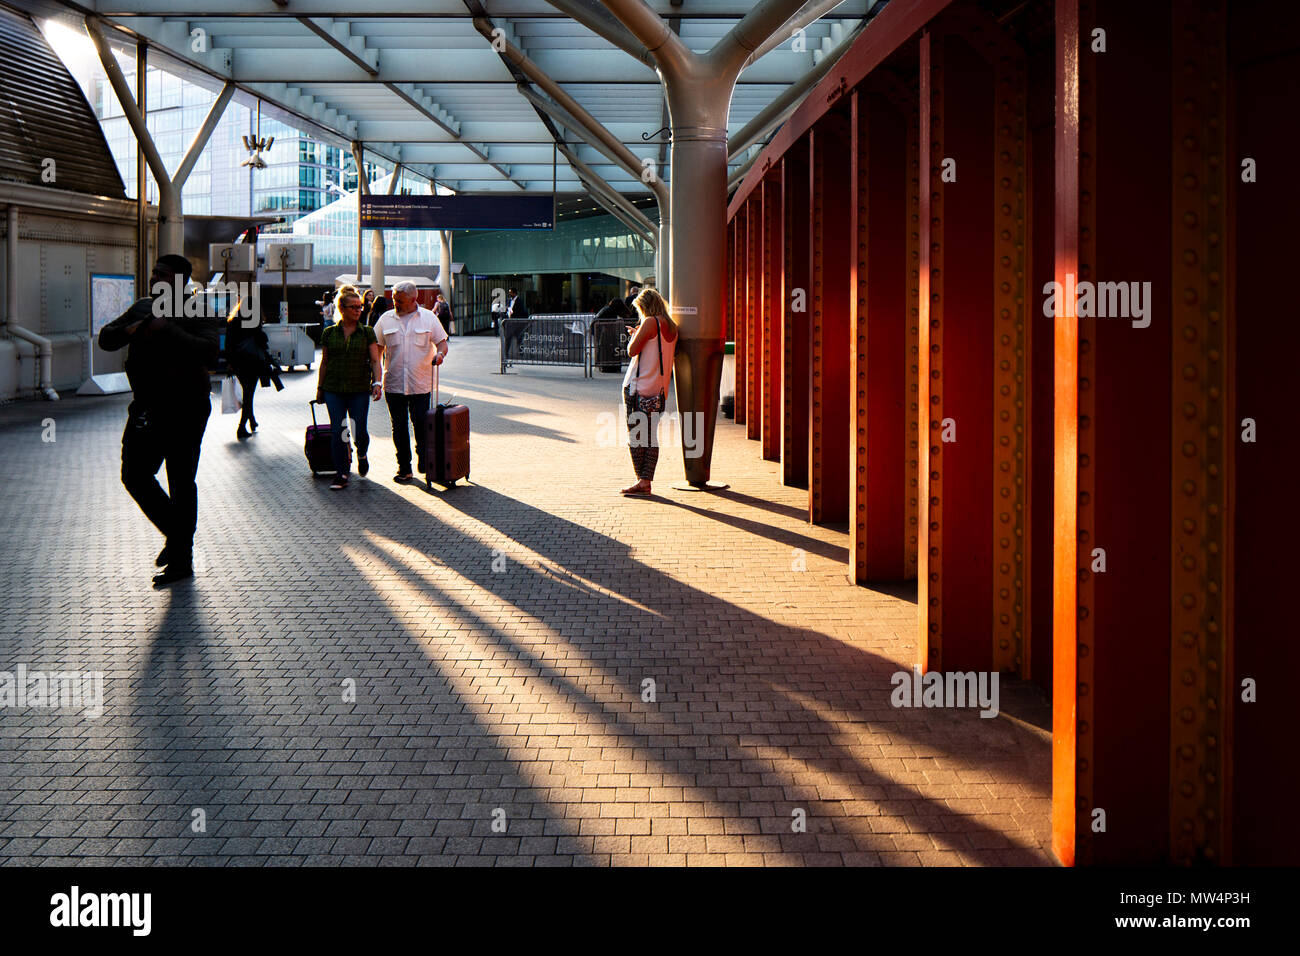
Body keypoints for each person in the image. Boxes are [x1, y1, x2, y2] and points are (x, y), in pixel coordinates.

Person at [98, 254, 219, 587]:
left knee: (181, 480)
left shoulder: (198, 309)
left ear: (179, 280)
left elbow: (210, 351)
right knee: (134, 474)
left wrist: (168, 330)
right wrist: (132, 328)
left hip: (187, 407)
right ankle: (178, 538)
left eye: (161, 275)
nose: (154, 279)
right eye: (153, 273)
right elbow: (106, 338)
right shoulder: (142, 307)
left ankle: (181, 560)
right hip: (147, 408)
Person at [374, 280, 449, 482]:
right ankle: (404, 468)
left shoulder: (428, 318)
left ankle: (425, 461)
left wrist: (440, 355)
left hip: (420, 384)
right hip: (394, 384)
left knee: (422, 425)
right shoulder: (385, 319)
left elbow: (442, 343)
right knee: (398, 427)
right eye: (394, 300)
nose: (395, 303)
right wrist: (376, 381)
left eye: (399, 301)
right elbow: (377, 352)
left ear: (414, 299)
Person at [315, 287, 382, 490]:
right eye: (353, 307)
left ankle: (361, 453)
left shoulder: (367, 332)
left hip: (359, 389)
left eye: (360, 307)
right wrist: (320, 388)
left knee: (358, 429)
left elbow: (375, 360)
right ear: (341, 309)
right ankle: (342, 472)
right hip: (333, 388)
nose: (358, 310)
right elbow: (325, 362)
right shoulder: (329, 333)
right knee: (339, 430)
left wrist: (377, 382)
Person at [620, 287, 677, 497]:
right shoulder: (671, 327)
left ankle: (641, 482)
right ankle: (646, 480)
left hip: (638, 388)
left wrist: (634, 336)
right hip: (659, 391)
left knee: (635, 437)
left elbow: (632, 350)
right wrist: (639, 334)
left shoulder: (650, 322)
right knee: (651, 437)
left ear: (645, 307)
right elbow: (656, 348)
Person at [224, 300, 283, 440]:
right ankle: (241, 427)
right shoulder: (254, 324)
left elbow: (228, 345)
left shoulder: (233, 322)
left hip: (238, 364)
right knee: (249, 395)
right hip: (253, 363)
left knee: (247, 393)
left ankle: (252, 421)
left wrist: (230, 363)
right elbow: (262, 344)